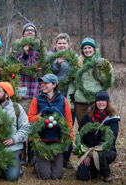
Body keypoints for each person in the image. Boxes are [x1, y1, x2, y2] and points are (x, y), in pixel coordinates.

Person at [28, 73, 73, 179]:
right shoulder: (37, 99)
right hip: (41, 141)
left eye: (46, 83)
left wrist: (69, 138)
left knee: (57, 176)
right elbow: (30, 118)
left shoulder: (63, 100)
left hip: (57, 141)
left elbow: (69, 121)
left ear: (54, 85)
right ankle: (37, 164)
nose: (42, 85)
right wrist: (40, 116)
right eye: (42, 83)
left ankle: (53, 161)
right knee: (45, 175)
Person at [76, 91, 120, 183]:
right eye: (98, 100)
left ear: (107, 102)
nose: (101, 102)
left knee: (102, 157)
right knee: (82, 176)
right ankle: (96, 168)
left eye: (103, 100)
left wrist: (96, 151)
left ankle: (106, 174)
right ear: (95, 103)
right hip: (88, 151)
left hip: (107, 150)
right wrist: (85, 154)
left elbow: (112, 140)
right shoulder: (87, 118)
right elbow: (80, 136)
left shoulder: (112, 119)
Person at [47, 33, 76, 169]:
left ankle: (66, 158)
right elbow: (47, 74)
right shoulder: (50, 56)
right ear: (56, 44)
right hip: (53, 97)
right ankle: (51, 156)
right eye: (59, 43)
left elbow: (76, 74)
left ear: (68, 45)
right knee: (52, 125)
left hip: (69, 97)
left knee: (67, 128)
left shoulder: (74, 58)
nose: (62, 45)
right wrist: (57, 65)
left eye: (64, 43)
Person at [70, 37, 114, 125]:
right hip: (80, 101)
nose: (87, 50)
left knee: (97, 127)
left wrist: (98, 71)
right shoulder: (77, 63)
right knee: (83, 128)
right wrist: (70, 103)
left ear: (94, 49)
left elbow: (110, 81)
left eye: (89, 48)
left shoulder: (102, 62)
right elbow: (72, 83)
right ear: (82, 50)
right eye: (85, 48)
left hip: (97, 101)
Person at [17, 22, 43, 166]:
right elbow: (17, 67)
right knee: (21, 124)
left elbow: (39, 68)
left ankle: (32, 156)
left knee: (33, 125)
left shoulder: (40, 50)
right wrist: (25, 54)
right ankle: (21, 155)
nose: (30, 32)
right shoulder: (17, 49)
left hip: (35, 92)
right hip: (22, 93)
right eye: (27, 30)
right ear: (23, 33)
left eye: (32, 30)